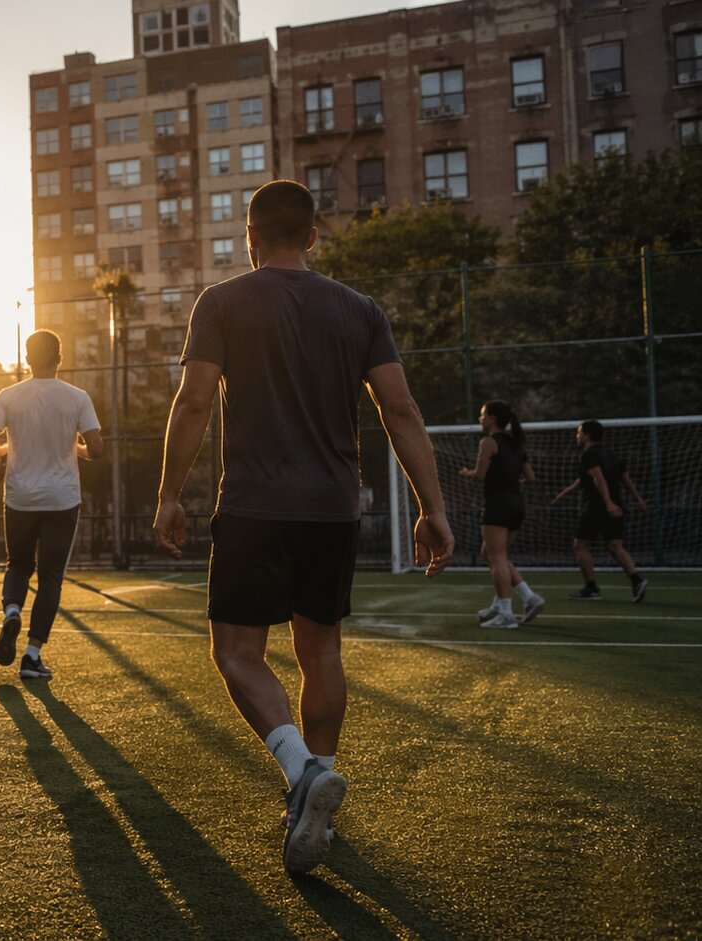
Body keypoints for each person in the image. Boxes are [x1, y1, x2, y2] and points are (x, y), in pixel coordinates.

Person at [152, 180, 453, 875]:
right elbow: (400, 409)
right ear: (313, 236)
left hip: (256, 506)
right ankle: (316, 783)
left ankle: (300, 772)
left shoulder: (221, 301)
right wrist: (433, 506)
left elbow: (195, 398)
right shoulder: (361, 310)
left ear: (249, 236)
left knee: (236, 653)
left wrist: (169, 493)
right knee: (321, 654)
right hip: (332, 508)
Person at [0, 330, 103, 681]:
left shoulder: (9, 395)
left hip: (19, 497)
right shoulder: (77, 398)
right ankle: (32, 656)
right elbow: (96, 448)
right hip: (62, 500)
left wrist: (5, 452)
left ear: (28, 359)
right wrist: (74, 448)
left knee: (17, 565)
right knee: (50, 578)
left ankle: (12, 611)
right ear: (60, 358)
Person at [458, 400, 544, 628]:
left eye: (483, 415)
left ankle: (506, 614)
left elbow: (480, 476)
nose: (480, 419)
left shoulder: (489, 442)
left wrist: (468, 473)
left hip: (498, 503)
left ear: (493, 418)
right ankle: (526, 597)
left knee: (497, 558)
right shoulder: (516, 443)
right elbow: (531, 478)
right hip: (517, 504)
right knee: (492, 554)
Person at [551, 420, 648, 601]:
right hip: (617, 504)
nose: (577, 436)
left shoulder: (589, 454)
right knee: (615, 546)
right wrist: (637, 499)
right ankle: (637, 581)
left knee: (580, 546)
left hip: (598, 506)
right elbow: (623, 479)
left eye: (579, 433)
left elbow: (598, 478)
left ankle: (591, 588)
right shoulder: (611, 454)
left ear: (587, 435)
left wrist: (607, 502)